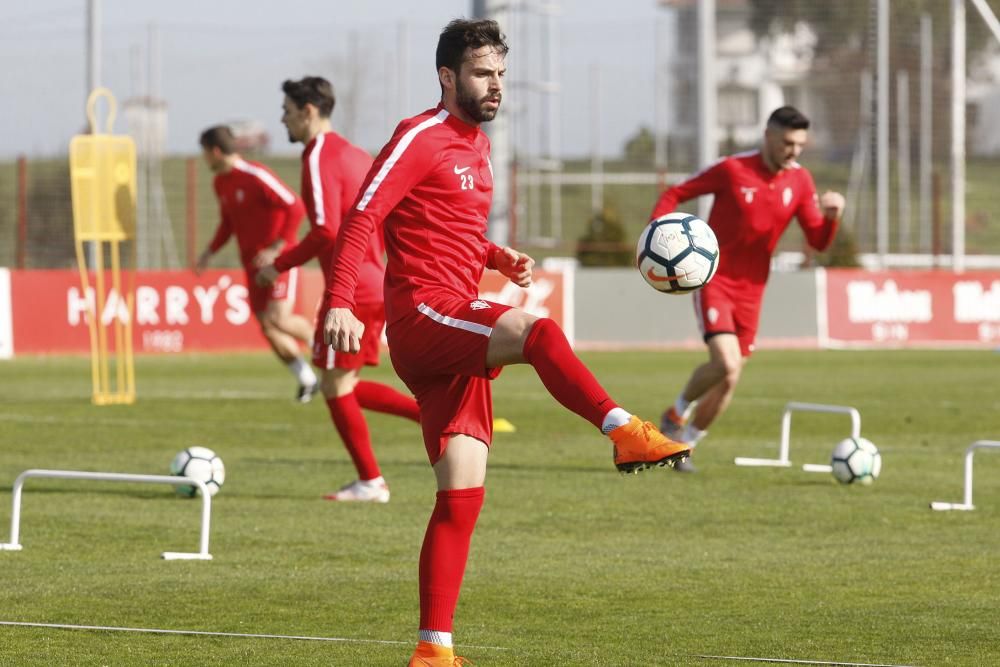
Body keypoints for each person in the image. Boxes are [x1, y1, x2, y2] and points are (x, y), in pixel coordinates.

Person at [321, 19, 690, 667]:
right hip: (428, 315)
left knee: (461, 492)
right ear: (447, 77)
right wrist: (338, 304)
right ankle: (622, 429)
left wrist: (496, 255)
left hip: (452, 322)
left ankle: (433, 648)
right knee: (535, 330)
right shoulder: (420, 135)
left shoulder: (477, 147)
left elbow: (440, 224)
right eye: (483, 74)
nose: (496, 87)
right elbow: (363, 218)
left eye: (500, 76)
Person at [650, 105, 846, 472]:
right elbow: (677, 192)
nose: (794, 151)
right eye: (788, 142)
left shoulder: (801, 181)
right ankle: (674, 414)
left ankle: (685, 443)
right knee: (725, 361)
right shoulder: (732, 169)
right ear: (768, 136)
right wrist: (658, 232)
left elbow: (817, 240)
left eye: (800, 144)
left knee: (731, 376)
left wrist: (832, 218)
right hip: (715, 279)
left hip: (754, 288)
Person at [256, 76, 421, 503]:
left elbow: (326, 231)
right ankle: (431, 415)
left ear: (308, 111)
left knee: (333, 385)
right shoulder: (355, 154)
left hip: (350, 291)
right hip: (375, 280)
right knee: (341, 381)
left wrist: (278, 265)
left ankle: (371, 481)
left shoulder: (317, 157)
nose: (283, 119)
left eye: (287, 111)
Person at [195, 125, 318, 402]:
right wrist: (209, 252)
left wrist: (277, 247)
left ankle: (327, 352)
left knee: (279, 318)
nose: (204, 160)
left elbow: (295, 206)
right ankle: (307, 380)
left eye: (205, 153)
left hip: (279, 259)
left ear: (215, 151)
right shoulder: (221, 183)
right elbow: (228, 223)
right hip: (252, 264)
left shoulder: (255, 175)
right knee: (267, 325)